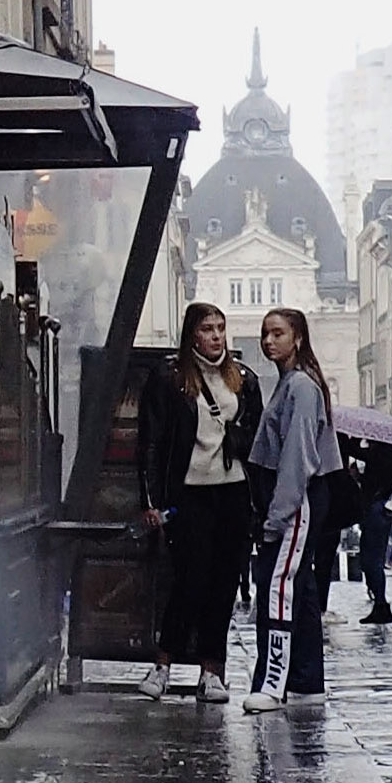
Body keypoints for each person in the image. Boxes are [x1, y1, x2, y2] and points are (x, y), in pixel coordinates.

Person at [136, 303, 264, 703]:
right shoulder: (170, 377)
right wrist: (151, 500)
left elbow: (258, 441)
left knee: (223, 584)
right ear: (192, 333)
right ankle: (163, 664)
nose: (216, 337)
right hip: (188, 491)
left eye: (221, 329)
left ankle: (212, 671)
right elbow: (151, 443)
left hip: (232, 491)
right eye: (208, 329)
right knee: (188, 581)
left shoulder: (244, 379)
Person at [243, 308, 342, 714]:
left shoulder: (300, 387)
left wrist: (278, 515)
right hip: (296, 498)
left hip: (294, 501)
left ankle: (274, 683)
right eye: (265, 334)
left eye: (278, 333)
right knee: (299, 590)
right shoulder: (292, 384)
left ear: (297, 338)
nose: (269, 341)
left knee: (279, 588)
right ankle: (305, 680)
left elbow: (297, 456)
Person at [344, 434, 392, 624]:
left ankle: (381, 605)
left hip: (376, 509)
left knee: (371, 560)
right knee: (371, 559)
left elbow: (361, 455)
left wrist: (352, 440)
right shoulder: (390, 453)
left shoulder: (382, 452)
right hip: (380, 508)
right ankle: (379, 603)